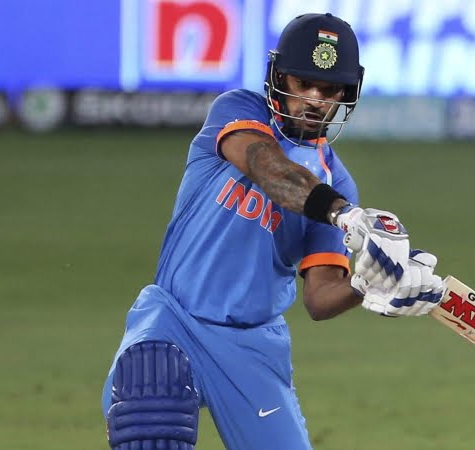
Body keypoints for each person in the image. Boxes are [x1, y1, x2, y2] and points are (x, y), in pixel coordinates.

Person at [101, 12, 445, 450]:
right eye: (304, 83)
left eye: (328, 89)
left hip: (252, 345)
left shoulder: (337, 183)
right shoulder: (239, 111)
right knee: (152, 391)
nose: (314, 99)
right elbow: (266, 167)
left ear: (346, 94)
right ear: (279, 77)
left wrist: (368, 282)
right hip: (173, 320)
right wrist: (343, 215)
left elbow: (320, 298)